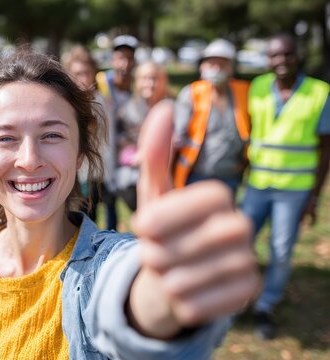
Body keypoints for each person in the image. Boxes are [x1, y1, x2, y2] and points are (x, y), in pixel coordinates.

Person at [0, 49, 258, 359]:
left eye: (52, 135)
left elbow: (128, 304)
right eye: (5, 138)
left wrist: (157, 303)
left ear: (80, 152)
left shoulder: (107, 266)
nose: (29, 159)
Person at [242, 33, 330, 340]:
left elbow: (325, 150)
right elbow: (252, 133)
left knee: (280, 250)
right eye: (274, 56)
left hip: (294, 190)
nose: (280, 61)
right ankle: (238, 297)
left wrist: (315, 197)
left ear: (298, 56)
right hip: (257, 185)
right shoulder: (258, 86)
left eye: (287, 55)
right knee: (239, 243)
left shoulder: (320, 93)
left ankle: (265, 305)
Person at [173, 38, 250, 195]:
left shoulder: (243, 92)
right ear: (202, 66)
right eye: (211, 63)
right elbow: (178, 135)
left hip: (230, 177)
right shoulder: (192, 93)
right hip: (197, 175)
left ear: (231, 67)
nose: (216, 69)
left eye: (222, 64)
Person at [61, 45, 112, 220]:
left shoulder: (100, 102)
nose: (82, 78)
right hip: (66, 172)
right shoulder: (62, 102)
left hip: (91, 173)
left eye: (85, 72)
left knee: (88, 218)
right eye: (76, 73)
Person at [95, 34, 138, 230]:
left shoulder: (137, 86)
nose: (125, 63)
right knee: (108, 205)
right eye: (121, 57)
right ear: (113, 59)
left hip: (129, 157)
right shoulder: (102, 84)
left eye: (129, 58)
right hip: (107, 154)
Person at [116, 60, 171, 211]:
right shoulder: (127, 109)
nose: (150, 83)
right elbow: (120, 138)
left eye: (154, 78)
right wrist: (132, 154)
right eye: (145, 78)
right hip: (135, 171)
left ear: (163, 81)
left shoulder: (171, 107)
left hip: (167, 171)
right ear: (137, 82)